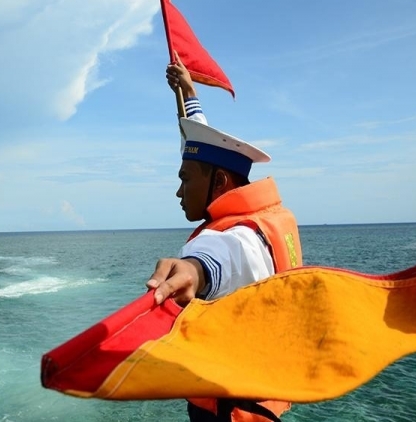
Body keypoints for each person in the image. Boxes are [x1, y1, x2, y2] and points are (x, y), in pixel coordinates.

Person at [145, 53, 303, 421]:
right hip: (264, 398)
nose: (179, 192)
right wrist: (188, 93)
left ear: (218, 182)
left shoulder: (239, 237)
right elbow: (202, 146)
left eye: (184, 179)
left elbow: (226, 259)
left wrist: (193, 271)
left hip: (228, 411)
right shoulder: (268, 218)